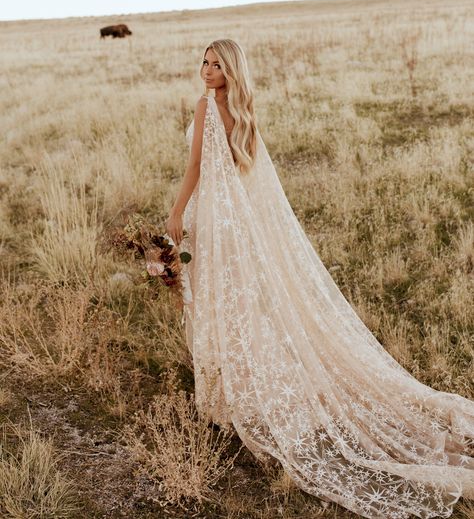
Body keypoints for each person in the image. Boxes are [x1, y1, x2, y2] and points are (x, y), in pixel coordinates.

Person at [166, 38, 474, 518]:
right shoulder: (242, 110)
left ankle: (230, 400)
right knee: (241, 304)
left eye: (216, 64)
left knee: (223, 303)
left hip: (215, 219)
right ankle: (236, 390)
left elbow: (194, 169)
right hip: (237, 220)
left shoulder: (208, 106)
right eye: (204, 62)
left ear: (231, 71)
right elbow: (246, 174)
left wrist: (176, 212)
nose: (206, 71)